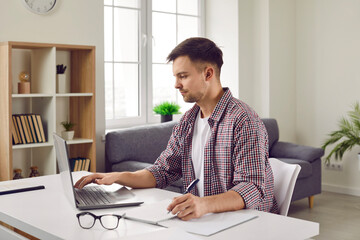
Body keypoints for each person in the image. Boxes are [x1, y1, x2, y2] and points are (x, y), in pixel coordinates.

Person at [75, 37, 279, 220]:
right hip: (204, 220)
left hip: (246, 223)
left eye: (182, 76)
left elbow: (252, 188)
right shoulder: (188, 121)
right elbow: (163, 171)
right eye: (176, 77)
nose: (176, 84)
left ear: (208, 73)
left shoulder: (244, 120)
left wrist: (203, 204)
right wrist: (117, 177)